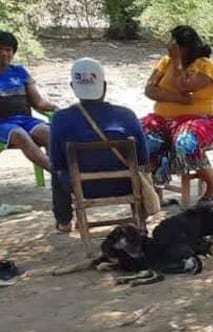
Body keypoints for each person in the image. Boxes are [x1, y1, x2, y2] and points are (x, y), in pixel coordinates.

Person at [48, 58, 148, 233]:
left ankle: (64, 221)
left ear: (73, 86)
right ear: (104, 86)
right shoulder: (126, 116)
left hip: (83, 188)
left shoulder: (60, 119)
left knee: (56, 173)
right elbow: (143, 157)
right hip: (126, 184)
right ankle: (141, 218)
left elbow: (57, 162)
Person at [141, 25, 213, 201]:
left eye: (174, 44)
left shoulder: (204, 66)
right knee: (142, 138)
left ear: (184, 47)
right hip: (162, 119)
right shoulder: (164, 62)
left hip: (197, 119)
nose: (169, 47)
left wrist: (176, 62)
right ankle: (153, 191)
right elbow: (149, 90)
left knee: (185, 142)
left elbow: (183, 85)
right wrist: (180, 99)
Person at [0, 31, 58, 173]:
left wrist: (57, 109)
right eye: (0, 49)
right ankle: (58, 174)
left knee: (49, 133)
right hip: (3, 124)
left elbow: (38, 103)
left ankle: (59, 178)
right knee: (20, 135)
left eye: (8, 50)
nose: (3, 54)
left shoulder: (19, 72)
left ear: (13, 53)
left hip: (26, 120)